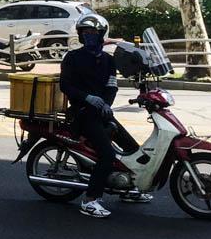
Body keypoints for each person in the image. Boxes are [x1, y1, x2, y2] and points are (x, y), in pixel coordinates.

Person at [59, 14, 149, 218]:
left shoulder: (109, 60)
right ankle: (90, 200)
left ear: (101, 35)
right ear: (81, 36)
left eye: (93, 32)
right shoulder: (72, 58)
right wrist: (88, 98)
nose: (89, 36)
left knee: (134, 149)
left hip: (102, 113)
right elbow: (65, 85)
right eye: (85, 33)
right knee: (107, 156)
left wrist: (106, 104)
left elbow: (112, 86)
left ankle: (129, 188)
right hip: (82, 114)